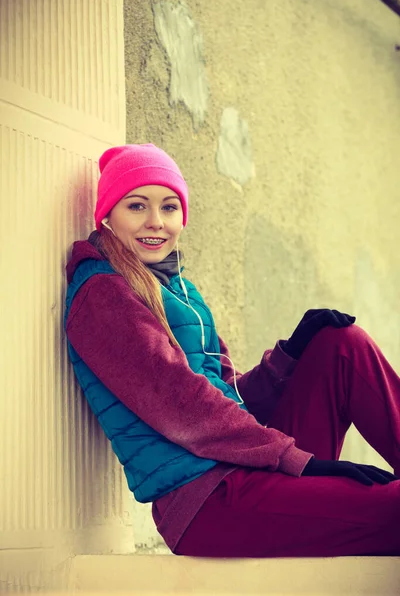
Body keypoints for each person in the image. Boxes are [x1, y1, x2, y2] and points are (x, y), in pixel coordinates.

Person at [65, 143, 400, 558]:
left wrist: (288, 358)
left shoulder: (182, 291)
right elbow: (183, 407)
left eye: (169, 207)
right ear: (108, 215)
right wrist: (299, 460)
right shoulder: (103, 293)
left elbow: (230, 399)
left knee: (340, 344)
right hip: (205, 500)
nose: (156, 222)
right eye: (137, 206)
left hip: (241, 466)